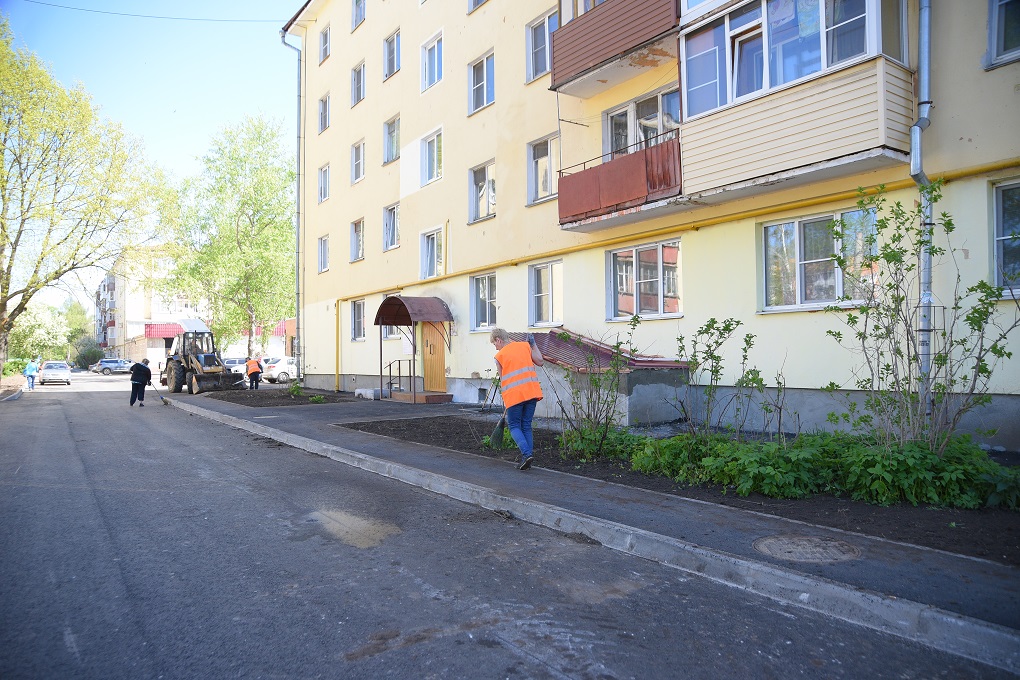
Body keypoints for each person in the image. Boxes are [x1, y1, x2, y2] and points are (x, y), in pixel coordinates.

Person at [490, 328, 544, 470]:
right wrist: (533, 344)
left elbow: (503, 381)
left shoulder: (499, 356)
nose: (495, 347)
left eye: (494, 344)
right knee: (526, 425)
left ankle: (526, 455)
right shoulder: (525, 346)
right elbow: (540, 361)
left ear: (498, 340)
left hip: (514, 396)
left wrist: (506, 398)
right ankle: (527, 458)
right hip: (531, 392)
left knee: (514, 426)